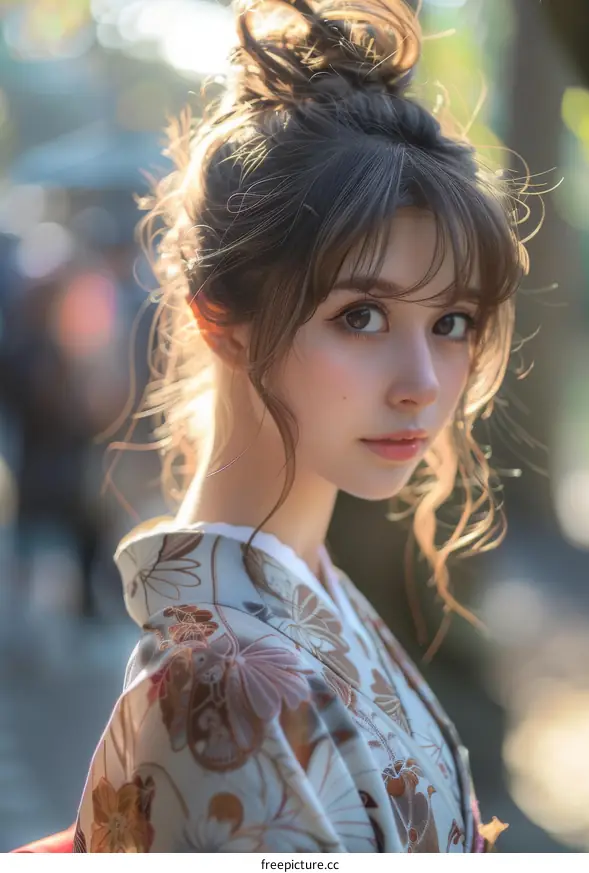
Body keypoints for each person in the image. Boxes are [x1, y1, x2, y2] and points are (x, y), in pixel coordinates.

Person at [14, 0, 528, 853]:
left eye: (452, 322)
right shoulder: (222, 681)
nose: (422, 384)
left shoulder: (305, 595)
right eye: (362, 316)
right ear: (221, 318)